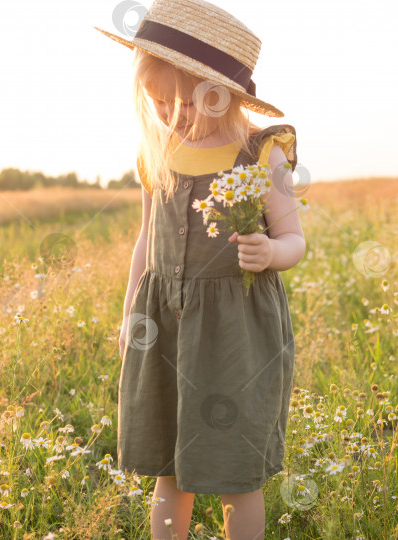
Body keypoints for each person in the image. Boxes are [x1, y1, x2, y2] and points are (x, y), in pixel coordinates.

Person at [94, 1, 305, 538]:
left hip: (236, 332)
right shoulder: (158, 152)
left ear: (221, 92)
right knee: (170, 468)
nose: (171, 114)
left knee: (238, 471)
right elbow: (147, 240)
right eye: (158, 101)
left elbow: (294, 240)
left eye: (183, 101)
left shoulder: (262, 153)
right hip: (164, 322)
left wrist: (269, 252)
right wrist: (129, 316)